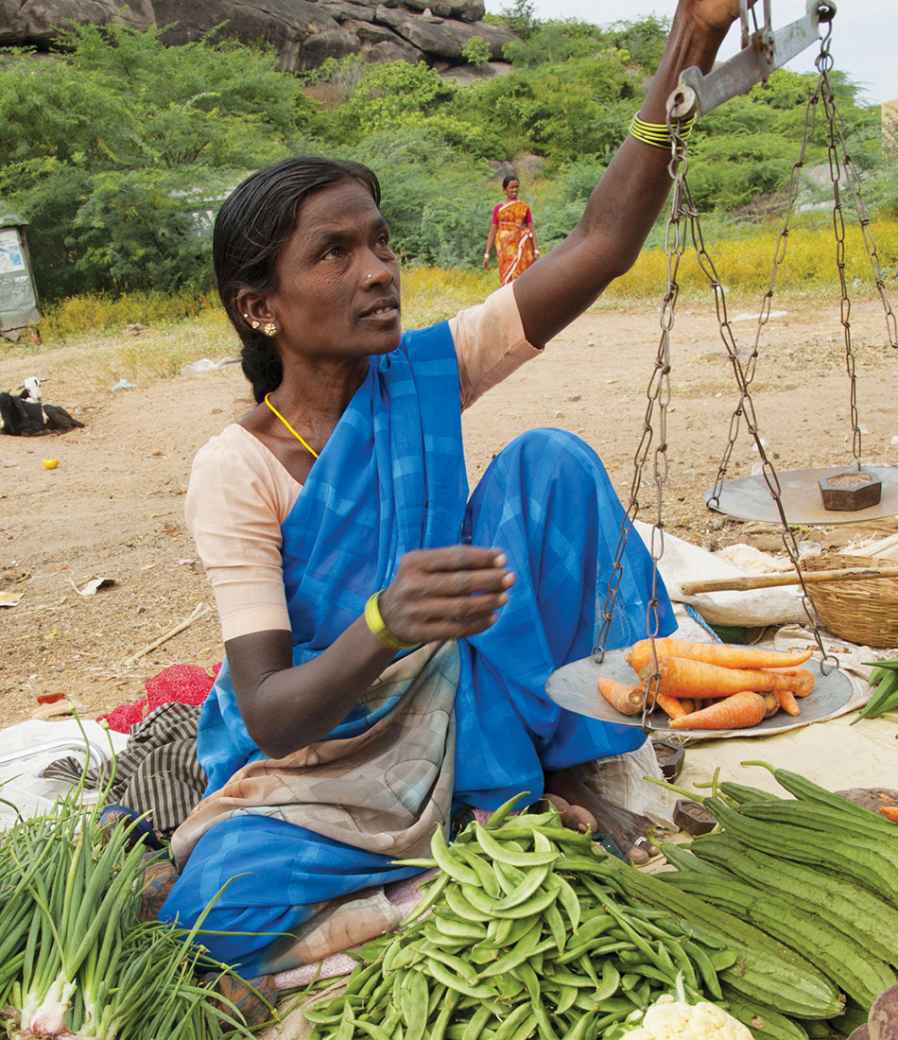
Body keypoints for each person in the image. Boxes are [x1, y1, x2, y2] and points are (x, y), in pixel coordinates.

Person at [159, 0, 750, 983]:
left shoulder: (425, 372)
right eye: (335, 253)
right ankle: (443, 864)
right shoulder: (238, 468)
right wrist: (382, 623)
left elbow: (601, 244)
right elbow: (268, 712)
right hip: (332, 761)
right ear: (259, 307)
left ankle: (571, 767)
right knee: (213, 908)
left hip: (469, 702)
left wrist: (690, 43)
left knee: (547, 465)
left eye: (380, 243)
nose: (378, 270)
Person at [483, 174, 539, 284]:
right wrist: (487, 254)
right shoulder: (498, 208)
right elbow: (493, 231)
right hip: (504, 249)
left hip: (521, 247)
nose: (515, 190)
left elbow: (531, 228)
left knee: (521, 277)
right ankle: (507, 300)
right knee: (506, 275)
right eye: (511, 187)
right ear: (504, 190)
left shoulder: (524, 207)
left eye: (516, 187)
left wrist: (535, 250)